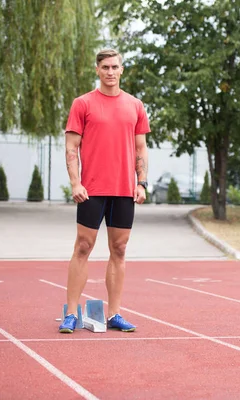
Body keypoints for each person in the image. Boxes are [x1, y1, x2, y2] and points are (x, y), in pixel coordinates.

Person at [59, 49, 150, 333]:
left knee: (119, 250)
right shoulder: (82, 104)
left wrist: (141, 182)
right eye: (105, 67)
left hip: (124, 190)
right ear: (97, 70)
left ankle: (114, 315)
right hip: (92, 189)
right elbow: (71, 147)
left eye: (115, 67)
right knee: (83, 247)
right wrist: (76, 183)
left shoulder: (135, 106)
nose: (110, 72)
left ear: (122, 70)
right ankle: (71, 314)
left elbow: (140, 148)